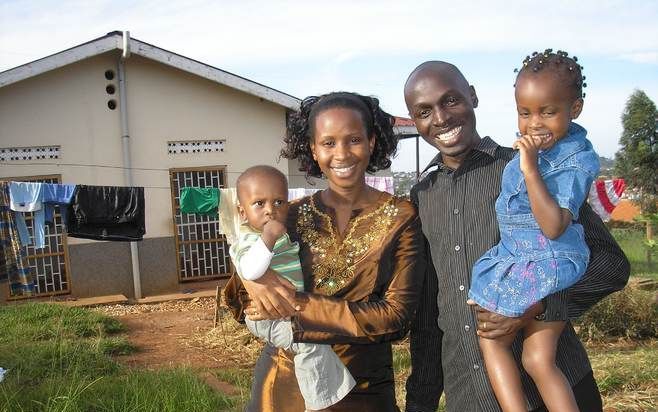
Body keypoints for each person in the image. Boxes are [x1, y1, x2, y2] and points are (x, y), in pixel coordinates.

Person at [403, 60, 630, 412]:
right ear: (414, 120)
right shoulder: (420, 198)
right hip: (470, 400)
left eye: (450, 101)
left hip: (553, 395)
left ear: (473, 97)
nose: (441, 118)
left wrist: (535, 307)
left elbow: (610, 265)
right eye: (423, 111)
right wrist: (421, 402)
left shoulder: (531, 169)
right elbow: (430, 316)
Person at [233, 91, 427, 411]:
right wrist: (252, 280)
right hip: (283, 381)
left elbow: (396, 317)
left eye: (353, 140)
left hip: (362, 385)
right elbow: (240, 298)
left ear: (372, 142)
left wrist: (298, 306)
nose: (342, 154)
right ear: (313, 148)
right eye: (328, 143)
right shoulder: (288, 213)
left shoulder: (401, 217)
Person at [467, 50, 599, 412]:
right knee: (537, 360)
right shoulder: (528, 152)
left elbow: (554, 226)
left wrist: (530, 169)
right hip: (518, 255)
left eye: (548, 111)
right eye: (525, 113)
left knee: (492, 340)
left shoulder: (576, 158)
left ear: (576, 109)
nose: (534, 123)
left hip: (549, 258)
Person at [230, 165, 356, 411]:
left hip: (287, 312)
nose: (270, 211)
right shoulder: (253, 238)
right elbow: (250, 269)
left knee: (310, 342)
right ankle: (318, 403)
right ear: (242, 212)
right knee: (307, 342)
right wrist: (267, 239)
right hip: (268, 315)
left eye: (279, 202)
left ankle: (324, 396)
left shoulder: (285, 227)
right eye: (259, 204)